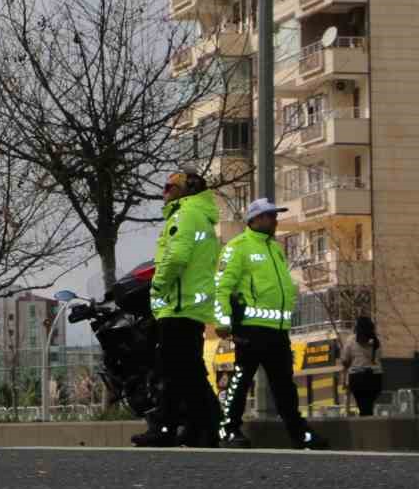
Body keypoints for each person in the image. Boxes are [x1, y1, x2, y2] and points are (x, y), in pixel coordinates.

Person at [215, 198, 324, 450]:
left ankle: (300, 435)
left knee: (285, 386)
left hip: (277, 331)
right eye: (270, 216)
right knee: (241, 381)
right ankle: (229, 431)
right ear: (254, 219)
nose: (275, 220)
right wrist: (222, 322)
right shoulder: (237, 247)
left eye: (275, 216)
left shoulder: (274, 248)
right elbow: (222, 286)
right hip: (250, 329)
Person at [133, 170, 223, 448]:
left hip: (178, 307)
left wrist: (157, 286)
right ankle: (200, 429)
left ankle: (166, 428)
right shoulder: (200, 218)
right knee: (189, 372)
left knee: (173, 372)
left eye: (170, 187)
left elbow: (176, 257)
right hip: (191, 309)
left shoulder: (184, 216)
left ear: (186, 190)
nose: (165, 192)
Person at [341, 315, 383, 416]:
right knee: (368, 405)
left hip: (358, 378)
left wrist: (344, 378)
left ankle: (365, 424)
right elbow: (379, 357)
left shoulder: (351, 340)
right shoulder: (376, 341)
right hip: (376, 377)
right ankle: (368, 420)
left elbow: (345, 360)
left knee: (363, 406)